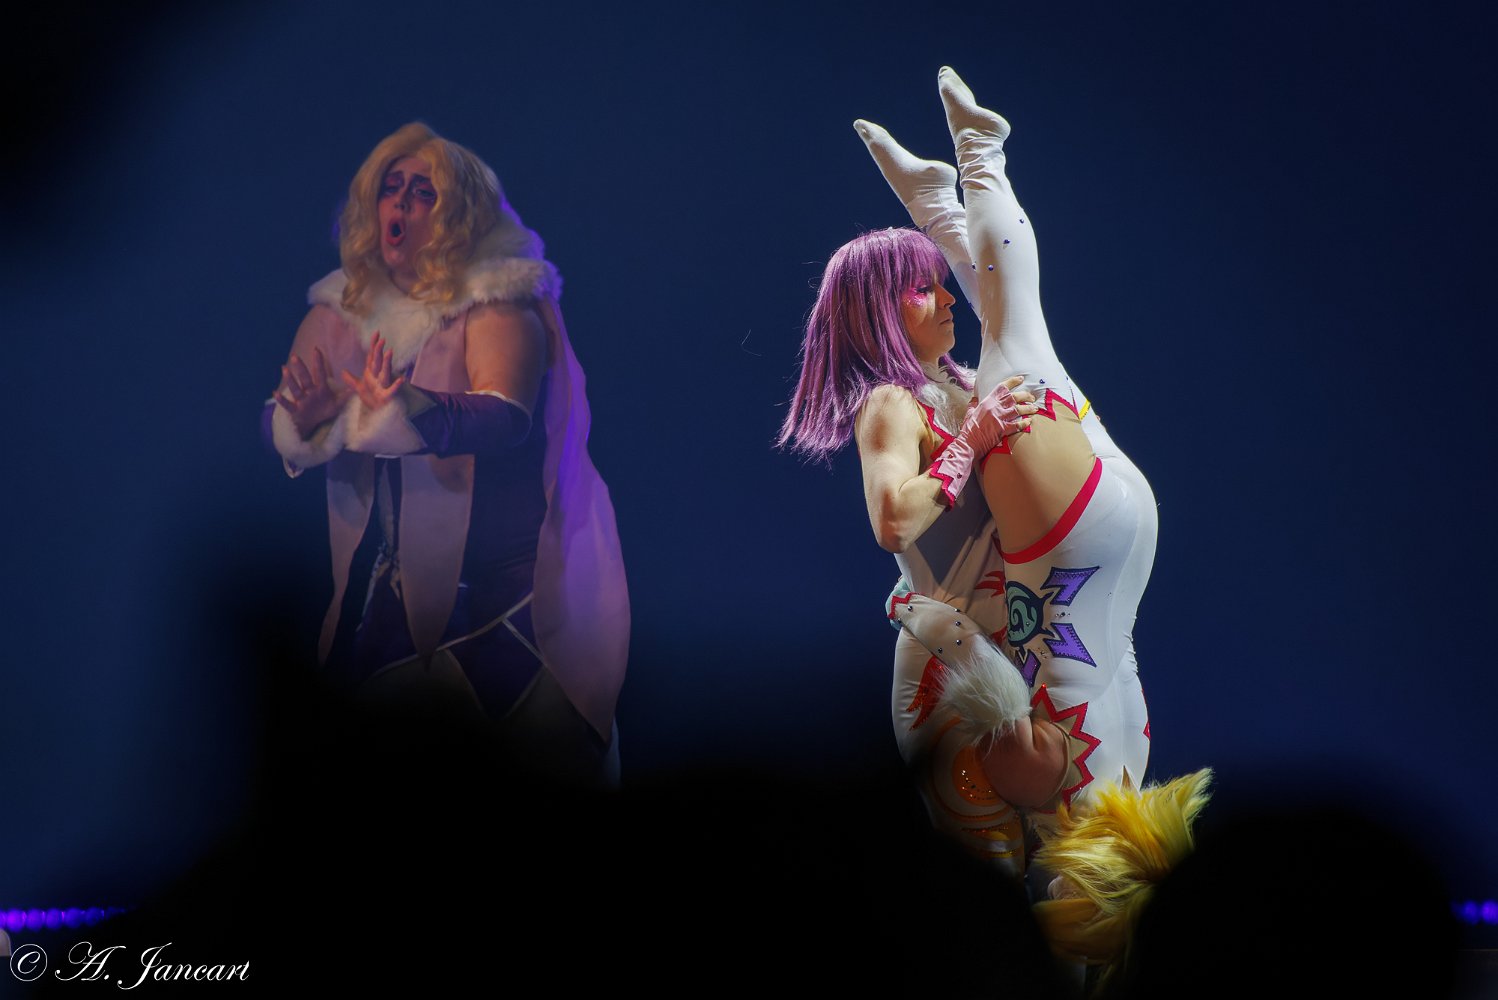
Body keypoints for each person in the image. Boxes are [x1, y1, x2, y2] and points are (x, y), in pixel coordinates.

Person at [782, 69, 1209, 973]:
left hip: (1013, 635)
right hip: (955, 674)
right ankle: (964, 171)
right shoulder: (890, 405)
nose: (944, 299)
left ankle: (952, 184)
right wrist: (969, 444)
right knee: (995, 891)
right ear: (880, 311)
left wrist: (976, 426)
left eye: (941, 284)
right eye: (923, 290)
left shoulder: (954, 387)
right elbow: (893, 521)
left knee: (1016, 336)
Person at [264, 122, 628, 785]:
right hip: (401, 614)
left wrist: (404, 409)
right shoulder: (344, 310)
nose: (400, 203)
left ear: (458, 216)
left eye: (423, 192)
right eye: (391, 187)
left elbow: (505, 417)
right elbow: (283, 412)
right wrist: (308, 420)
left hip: (523, 612)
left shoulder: (499, 301)